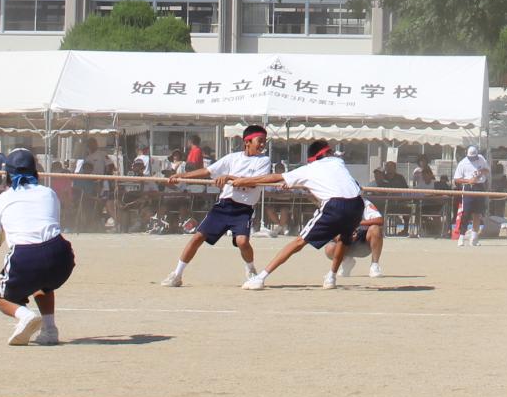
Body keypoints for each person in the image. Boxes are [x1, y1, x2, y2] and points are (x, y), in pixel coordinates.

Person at [232, 141, 366, 290]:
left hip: (335, 205)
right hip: (357, 204)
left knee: (298, 242)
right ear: (326, 154)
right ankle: (331, 277)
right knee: (344, 239)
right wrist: (290, 181)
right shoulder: (338, 162)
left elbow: (275, 177)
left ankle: (260, 278)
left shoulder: (308, 169)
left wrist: (245, 180)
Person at [160, 123, 270, 287]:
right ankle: (177, 274)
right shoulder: (232, 158)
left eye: (264, 141)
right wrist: (182, 175)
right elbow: (208, 171)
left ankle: (251, 269)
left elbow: (254, 182)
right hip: (224, 205)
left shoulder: (263, 161)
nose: (262, 145)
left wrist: (228, 178)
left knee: (242, 242)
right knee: (197, 237)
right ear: (247, 141)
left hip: (243, 209)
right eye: (259, 141)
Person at [0, 147, 72, 345]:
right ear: (36, 172)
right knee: (43, 283)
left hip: (25, 256)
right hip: (60, 255)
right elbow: (53, 224)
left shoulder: (0, 201)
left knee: (1, 297)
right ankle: (50, 330)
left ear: (6, 174)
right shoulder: (49, 193)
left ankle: (25, 315)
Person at [336, 199, 386, 278]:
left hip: (363, 242)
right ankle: (346, 261)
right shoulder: (336, 203)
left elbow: (379, 220)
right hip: (346, 240)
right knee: (329, 248)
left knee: (375, 229)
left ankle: (374, 265)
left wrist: (357, 223)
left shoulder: (364, 203)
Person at [452, 145, 489, 245]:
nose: (473, 159)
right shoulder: (463, 163)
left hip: (480, 187)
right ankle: (462, 236)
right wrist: (469, 180)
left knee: (477, 214)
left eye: (474, 157)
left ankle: (474, 238)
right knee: (466, 213)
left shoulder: (481, 158)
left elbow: (487, 170)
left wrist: (480, 172)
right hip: (469, 188)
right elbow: (457, 179)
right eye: (471, 158)